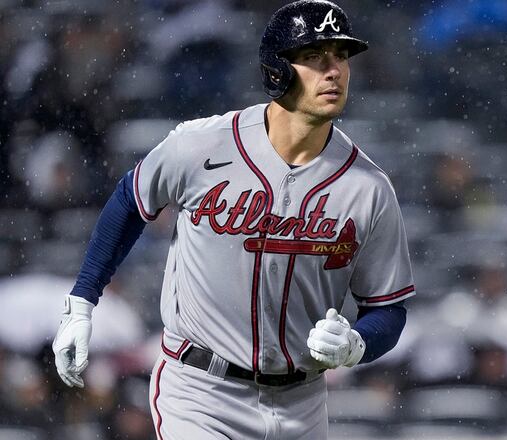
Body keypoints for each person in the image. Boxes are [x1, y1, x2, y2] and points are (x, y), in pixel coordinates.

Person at [51, 1, 416, 438]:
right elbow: (130, 201)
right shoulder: (201, 145)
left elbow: (388, 309)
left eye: (341, 56)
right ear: (276, 70)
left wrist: (358, 344)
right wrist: (82, 303)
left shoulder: (368, 187)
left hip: (302, 404)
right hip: (201, 390)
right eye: (315, 57)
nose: (334, 70)